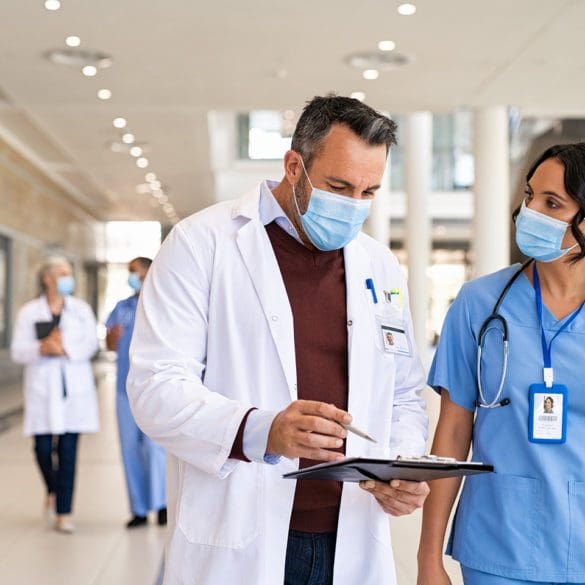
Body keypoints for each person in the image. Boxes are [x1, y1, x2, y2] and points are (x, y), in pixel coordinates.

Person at [127, 95, 429, 585]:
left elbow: (402, 394)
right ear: (294, 166)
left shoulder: (379, 265)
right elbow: (155, 387)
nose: (354, 206)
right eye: (338, 186)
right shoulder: (201, 243)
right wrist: (261, 429)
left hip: (351, 536)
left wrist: (401, 468)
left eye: (369, 192)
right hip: (243, 533)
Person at [417, 143, 585, 585]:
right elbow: (452, 432)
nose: (531, 212)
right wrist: (428, 558)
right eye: (530, 196)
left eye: (553, 203)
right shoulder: (480, 304)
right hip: (497, 541)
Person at [11, 257, 99, 533]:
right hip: (43, 389)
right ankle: (52, 488)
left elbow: (90, 344)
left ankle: (64, 512)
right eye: (62, 274)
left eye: (69, 274)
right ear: (47, 278)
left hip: (74, 390)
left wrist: (63, 348)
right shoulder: (29, 312)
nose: (66, 278)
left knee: (69, 453)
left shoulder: (81, 310)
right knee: (42, 449)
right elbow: (17, 350)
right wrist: (41, 348)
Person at [106, 257, 166, 528]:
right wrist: (112, 338)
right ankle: (139, 508)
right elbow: (110, 343)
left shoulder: (163, 303)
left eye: (135, 271)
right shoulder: (122, 308)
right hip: (124, 389)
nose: (132, 276)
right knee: (130, 448)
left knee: (157, 449)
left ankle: (162, 504)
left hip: (155, 387)